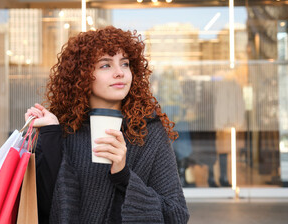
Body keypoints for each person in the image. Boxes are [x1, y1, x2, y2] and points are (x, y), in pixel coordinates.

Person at [25, 26, 190, 223]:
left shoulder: (149, 131)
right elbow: (42, 209)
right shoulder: (63, 131)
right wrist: (51, 133)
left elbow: (176, 215)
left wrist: (124, 175)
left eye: (125, 64)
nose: (120, 73)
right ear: (82, 75)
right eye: (105, 65)